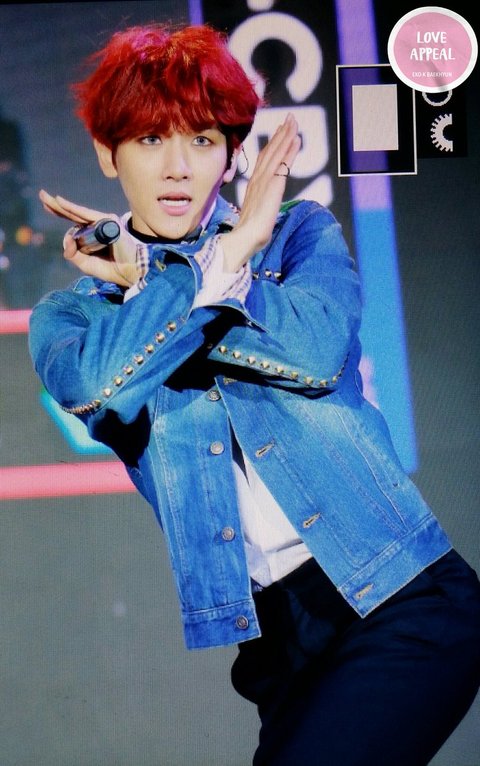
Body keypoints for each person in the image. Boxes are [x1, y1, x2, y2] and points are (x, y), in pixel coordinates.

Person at [29, 24, 480, 766]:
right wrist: (191, 275)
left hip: (400, 598)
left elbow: (313, 353)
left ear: (234, 153)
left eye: (203, 140)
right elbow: (95, 389)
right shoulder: (77, 317)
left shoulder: (296, 235)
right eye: (150, 140)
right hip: (275, 648)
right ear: (108, 153)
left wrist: (189, 276)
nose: (177, 168)